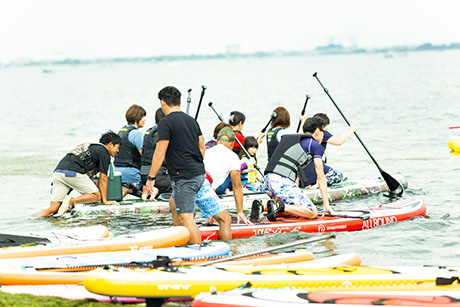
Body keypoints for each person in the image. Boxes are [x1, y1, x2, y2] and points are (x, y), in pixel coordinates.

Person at [145, 86, 233, 244]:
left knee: (187, 218)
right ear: (179, 101)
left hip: (185, 178)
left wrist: (151, 178)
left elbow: (160, 152)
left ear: (163, 103)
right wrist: (195, 163)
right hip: (200, 176)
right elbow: (201, 146)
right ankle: (185, 242)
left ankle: (196, 253)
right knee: (223, 218)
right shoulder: (191, 120)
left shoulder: (165, 123)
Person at [258, 117, 333, 222]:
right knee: (312, 212)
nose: (324, 135)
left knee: (293, 211)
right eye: (323, 132)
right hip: (280, 182)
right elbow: (321, 177)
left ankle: (263, 206)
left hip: (267, 181)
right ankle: (276, 206)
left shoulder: (291, 139)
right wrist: (326, 205)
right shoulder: (315, 145)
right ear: (317, 132)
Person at [35, 131, 122, 218]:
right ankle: (72, 200)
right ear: (111, 144)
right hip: (73, 172)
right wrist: (105, 200)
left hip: (58, 172)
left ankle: (35, 220)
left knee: (54, 208)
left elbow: (89, 177)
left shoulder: (92, 147)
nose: (118, 151)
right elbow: (103, 178)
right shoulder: (104, 152)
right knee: (96, 196)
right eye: (117, 147)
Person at [201, 126, 251, 224]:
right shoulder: (233, 156)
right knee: (234, 173)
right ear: (232, 143)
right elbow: (237, 186)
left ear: (217, 140)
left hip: (200, 187)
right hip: (215, 189)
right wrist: (240, 212)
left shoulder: (206, 151)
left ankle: (210, 216)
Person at [114, 104, 146, 199]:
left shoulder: (121, 131)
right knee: (152, 189)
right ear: (137, 119)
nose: (144, 119)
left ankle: (122, 192)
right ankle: (128, 190)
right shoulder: (136, 134)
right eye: (143, 117)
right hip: (131, 173)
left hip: (117, 173)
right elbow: (144, 157)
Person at [140, 108, 171, 200]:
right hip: (160, 177)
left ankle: (148, 190)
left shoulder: (149, 132)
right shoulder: (164, 134)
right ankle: (155, 190)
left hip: (144, 175)